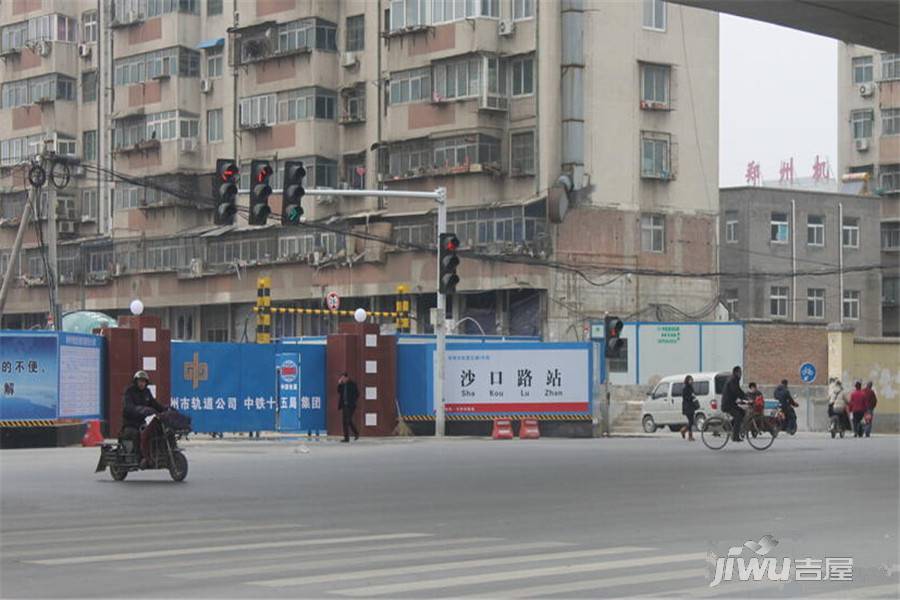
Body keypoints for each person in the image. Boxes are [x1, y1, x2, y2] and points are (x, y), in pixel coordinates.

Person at [122, 370, 167, 468]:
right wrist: (141, 409)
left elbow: (155, 404)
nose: (142, 383)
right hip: (130, 424)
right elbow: (128, 408)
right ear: (136, 381)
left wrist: (166, 409)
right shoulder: (129, 391)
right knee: (138, 434)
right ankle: (141, 458)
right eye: (140, 381)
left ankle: (155, 454)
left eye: (144, 381)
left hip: (142, 423)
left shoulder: (147, 392)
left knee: (154, 432)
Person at [721, 366, 748, 442]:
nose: (741, 374)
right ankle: (735, 437)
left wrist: (746, 397)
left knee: (742, 412)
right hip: (727, 404)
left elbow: (739, 390)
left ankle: (730, 426)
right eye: (740, 372)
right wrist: (745, 399)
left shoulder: (735, 379)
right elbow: (736, 391)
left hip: (731, 403)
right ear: (736, 372)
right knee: (738, 416)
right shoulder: (732, 380)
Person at [337, 372, 360, 442]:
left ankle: (354, 434)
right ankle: (349, 437)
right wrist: (339, 384)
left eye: (343, 378)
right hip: (344, 405)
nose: (342, 379)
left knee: (347, 420)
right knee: (346, 421)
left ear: (346, 377)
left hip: (351, 405)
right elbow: (338, 391)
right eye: (341, 378)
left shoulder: (352, 384)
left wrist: (353, 401)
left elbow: (357, 394)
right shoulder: (342, 385)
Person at [679, 375, 698, 441]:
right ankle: (687, 434)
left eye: (691, 380)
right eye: (689, 380)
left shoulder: (691, 387)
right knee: (691, 421)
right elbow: (685, 397)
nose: (691, 381)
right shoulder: (685, 388)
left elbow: (693, 395)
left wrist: (693, 396)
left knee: (691, 421)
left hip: (692, 406)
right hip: (687, 406)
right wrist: (691, 396)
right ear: (687, 380)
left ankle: (684, 431)